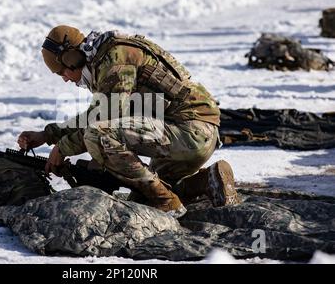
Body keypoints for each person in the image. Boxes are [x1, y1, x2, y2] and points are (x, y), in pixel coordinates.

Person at [17, 25, 239, 218]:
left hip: (191, 132)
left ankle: (167, 203)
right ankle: (208, 180)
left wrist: (63, 147)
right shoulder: (107, 57)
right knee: (142, 194)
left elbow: (106, 119)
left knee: (98, 136)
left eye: (61, 72)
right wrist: (48, 135)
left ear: (71, 58)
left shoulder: (116, 59)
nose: (65, 79)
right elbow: (97, 113)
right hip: (189, 133)